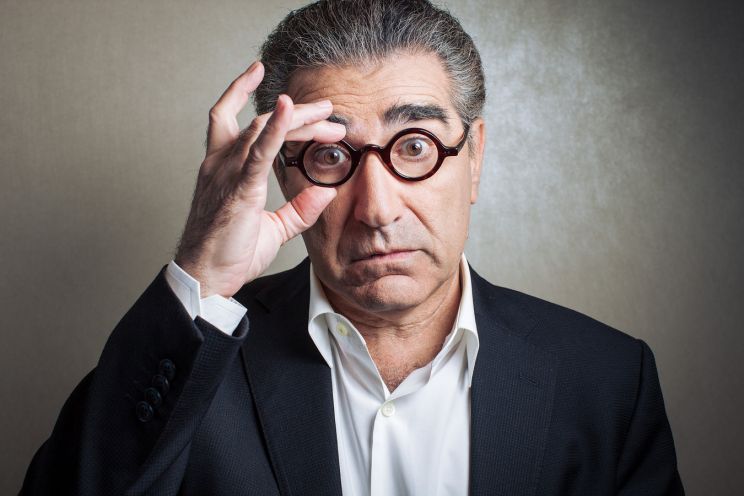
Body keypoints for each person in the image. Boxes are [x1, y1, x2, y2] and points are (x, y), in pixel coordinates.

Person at [21, 1, 684, 494]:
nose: (377, 209)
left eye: (416, 146)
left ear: (475, 157)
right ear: (281, 172)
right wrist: (202, 271)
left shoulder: (609, 380)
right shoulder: (193, 362)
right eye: (331, 156)